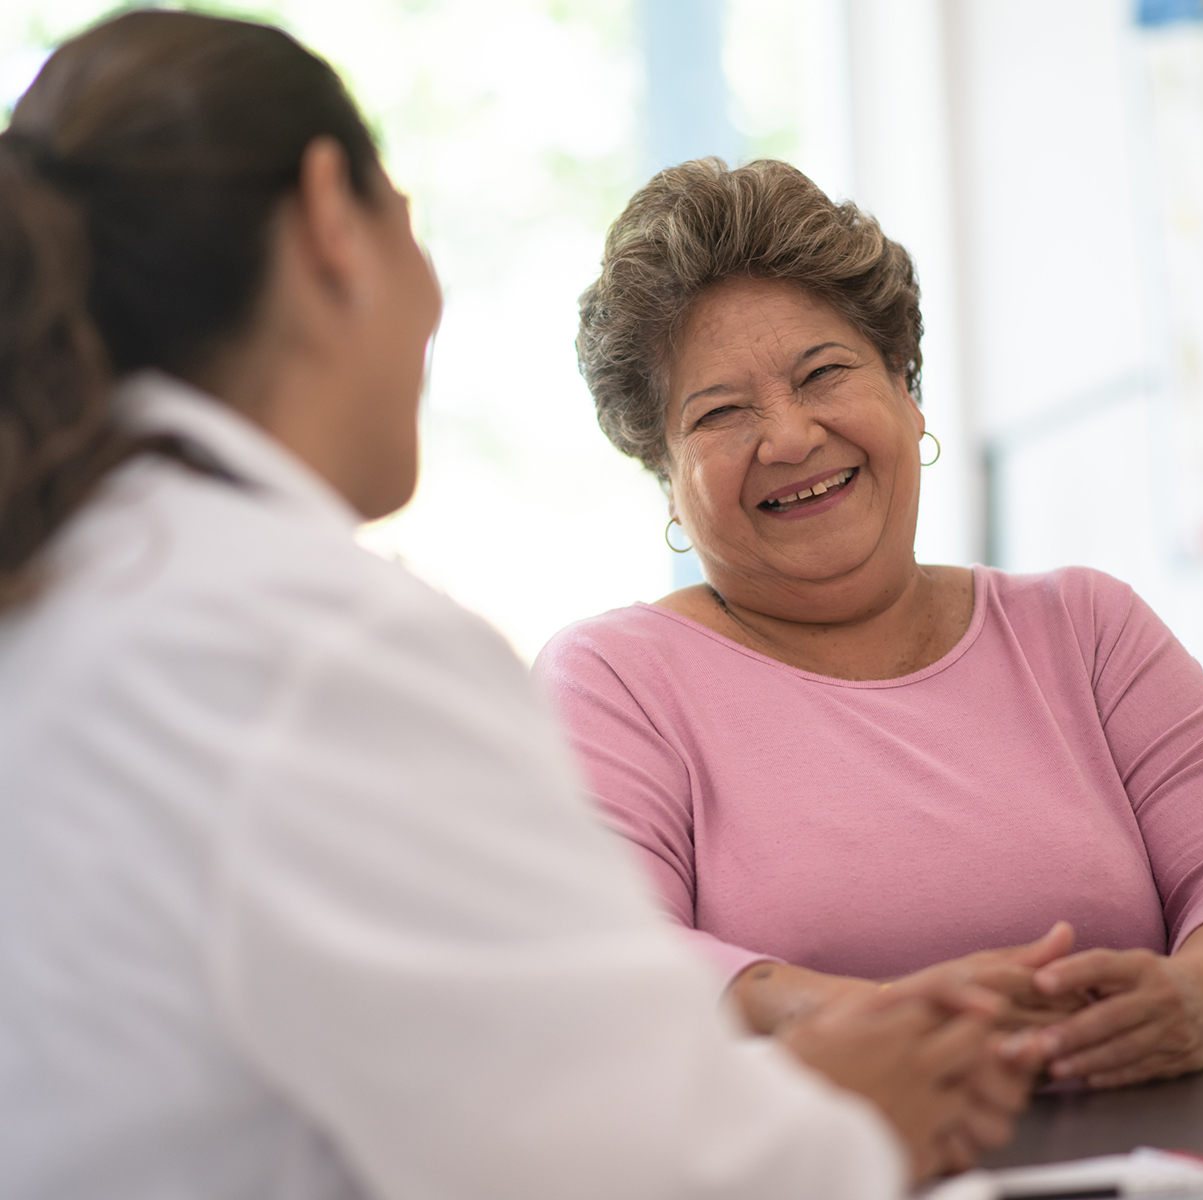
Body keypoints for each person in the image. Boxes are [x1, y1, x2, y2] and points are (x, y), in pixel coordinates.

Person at [0, 14, 1044, 1199]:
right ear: (332, 217)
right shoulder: (312, 647)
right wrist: (852, 1116)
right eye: (411, 220)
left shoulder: (72, 588)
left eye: (823, 375)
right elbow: (611, 1160)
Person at [541, 157, 1203, 1091]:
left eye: (823, 373)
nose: (788, 437)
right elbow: (611, 954)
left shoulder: (1086, 628)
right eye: (721, 413)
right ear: (665, 474)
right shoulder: (614, 678)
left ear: (907, 393)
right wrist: (850, 1021)